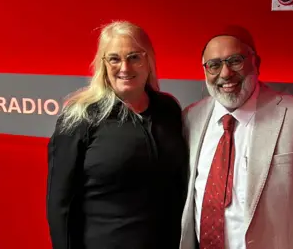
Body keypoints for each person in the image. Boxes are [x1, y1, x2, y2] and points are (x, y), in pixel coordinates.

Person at [179, 25, 293, 249]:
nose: (225, 73)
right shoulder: (192, 117)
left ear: (256, 63)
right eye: (214, 65)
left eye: (235, 60)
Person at [46, 20, 188, 249]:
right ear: (103, 64)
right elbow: (60, 205)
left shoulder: (168, 110)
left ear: (148, 60)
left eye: (134, 57)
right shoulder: (79, 118)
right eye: (114, 58)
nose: (124, 67)